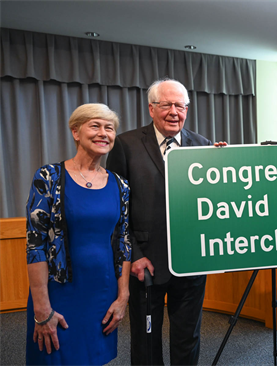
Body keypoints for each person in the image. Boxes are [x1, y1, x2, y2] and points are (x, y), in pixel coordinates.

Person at [107, 78, 225, 366]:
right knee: (146, 340)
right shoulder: (126, 145)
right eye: (167, 105)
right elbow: (116, 211)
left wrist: (224, 166)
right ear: (151, 108)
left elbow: (214, 201)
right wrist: (134, 256)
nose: (175, 111)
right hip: (145, 264)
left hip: (191, 261)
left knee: (188, 338)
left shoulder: (204, 146)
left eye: (181, 105)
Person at [25, 103, 131, 366]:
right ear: (76, 132)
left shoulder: (121, 185)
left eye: (110, 128)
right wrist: (42, 309)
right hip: (58, 292)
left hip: (102, 293)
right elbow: (35, 244)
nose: (103, 133)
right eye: (95, 125)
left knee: (94, 359)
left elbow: (124, 242)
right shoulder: (48, 177)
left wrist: (123, 297)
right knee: (53, 358)